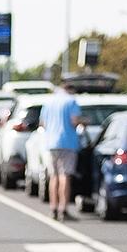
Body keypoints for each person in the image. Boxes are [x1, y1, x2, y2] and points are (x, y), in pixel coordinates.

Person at [38, 84, 85, 221]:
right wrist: (85, 121)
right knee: (65, 176)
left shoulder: (48, 102)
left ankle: (53, 207)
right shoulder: (71, 101)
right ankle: (63, 209)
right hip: (67, 141)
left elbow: (42, 123)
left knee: (53, 176)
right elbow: (74, 121)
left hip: (50, 142)